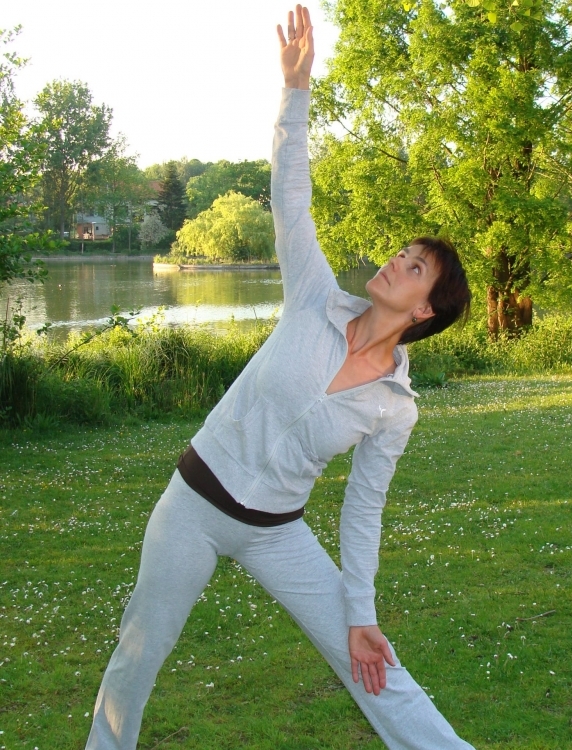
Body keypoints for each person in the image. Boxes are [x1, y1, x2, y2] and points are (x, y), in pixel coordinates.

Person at [85, 6, 473, 749]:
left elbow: (363, 512)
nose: (395, 260)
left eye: (413, 265)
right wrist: (295, 94)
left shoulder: (394, 407)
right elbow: (291, 191)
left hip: (277, 533)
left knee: (371, 655)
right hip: (193, 505)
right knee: (140, 650)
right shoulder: (312, 296)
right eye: (402, 251)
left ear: (425, 308)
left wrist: (361, 611)